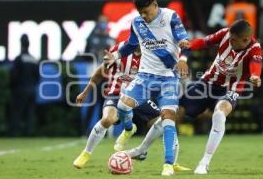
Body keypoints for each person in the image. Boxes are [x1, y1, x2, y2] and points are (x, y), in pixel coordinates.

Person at [124, 19, 262, 175]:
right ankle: (141, 150)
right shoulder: (224, 34)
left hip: (230, 89)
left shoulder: (255, 49)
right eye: (230, 38)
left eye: (234, 41)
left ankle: (205, 162)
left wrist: (255, 76)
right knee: (171, 113)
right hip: (206, 83)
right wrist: (185, 54)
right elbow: (202, 42)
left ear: (245, 40)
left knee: (219, 114)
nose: (230, 41)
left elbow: (255, 66)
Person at [104, 0, 189, 176]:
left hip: (168, 77)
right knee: (123, 106)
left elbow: (185, 43)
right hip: (145, 77)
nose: (144, 15)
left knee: (168, 118)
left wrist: (183, 59)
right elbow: (130, 45)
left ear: (155, 5)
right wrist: (116, 56)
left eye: (146, 11)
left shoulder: (171, 17)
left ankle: (168, 165)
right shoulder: (137, 23)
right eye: (140, 12)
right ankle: (128, 130)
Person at [73, 42, 189, 172]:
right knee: (107, 119)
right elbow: (101, 72)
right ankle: (86, 153)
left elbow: (181, 53)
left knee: (167, 118)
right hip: (116, 93)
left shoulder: (154, 53)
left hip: (140, 95)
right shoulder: (119, 50)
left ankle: (146, 152)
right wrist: (85, 91)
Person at [9, 35, 40, 136]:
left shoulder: (19, 59)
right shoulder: (34, 59)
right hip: (32, 90)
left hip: (20, 89)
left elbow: (14, 75)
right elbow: (38, 76)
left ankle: (14, 133)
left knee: (16, 113)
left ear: (21, 44)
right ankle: (29, 134)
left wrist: (13, 87)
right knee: (30, 114)